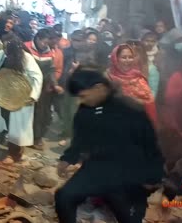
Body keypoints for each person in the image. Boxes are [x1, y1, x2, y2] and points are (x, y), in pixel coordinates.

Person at [55, 67, 164, 223]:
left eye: (84, 96)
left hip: (127, 171)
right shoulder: (85, 110)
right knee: (64, 197)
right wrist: (67, 158)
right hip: (96, 167)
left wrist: (153, 176)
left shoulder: (129, 108)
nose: (82, 101)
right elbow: (80, 139)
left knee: (127, 215)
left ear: (99, 88)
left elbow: (150, 144)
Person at [0, 35, 43, 163]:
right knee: (6, 121)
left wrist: (33, 96)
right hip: (4, 96)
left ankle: (14, 154)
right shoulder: (1, 54)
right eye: (4, 46)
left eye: (8, 47)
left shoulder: (26, 58)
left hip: (21, 98)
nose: (5, 49)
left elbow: (38, 76)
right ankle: (8, 145)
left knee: (17, 127)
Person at [107, 44, 157, 124]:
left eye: (130, 57)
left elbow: (150, 102)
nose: (128, 60)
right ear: (115, 59)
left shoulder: (139, 78)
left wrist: (133, 100)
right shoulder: (108, 78)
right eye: (124, 57)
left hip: (137, 123)